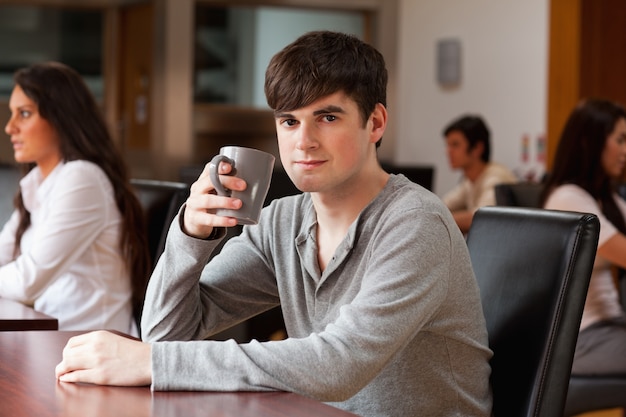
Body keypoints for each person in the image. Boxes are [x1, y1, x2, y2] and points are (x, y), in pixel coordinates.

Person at [55, 31, 493, 416]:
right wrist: (191, 233)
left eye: (328, 117)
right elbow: (166, 333)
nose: (303, 141)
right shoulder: (283, 221)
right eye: (289, 121)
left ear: (375, 122)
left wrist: (152, 364)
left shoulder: (415, 223)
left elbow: (338, 366)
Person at [0, 62, 150, 334]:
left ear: (61, 118)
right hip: (53, 343)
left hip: (91, 354)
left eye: (24, 114)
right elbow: (3, 255)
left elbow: (26, 281)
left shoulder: (82, 178)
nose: (10, 127)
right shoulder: (38, 183)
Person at [540, 98, 626, 376]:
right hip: (580, 339)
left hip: (608, 326)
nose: (625, 150)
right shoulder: (569, 198)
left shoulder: (604, 198)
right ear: (592, 142)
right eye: (620, 140)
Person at [441, 115, 517, 233]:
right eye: (448, 145)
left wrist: (439, 218)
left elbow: (480, 218)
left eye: (455, 145)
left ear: (477, 148)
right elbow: (443, 204)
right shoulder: (469, 180)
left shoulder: (496, 177)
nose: (448, 151)